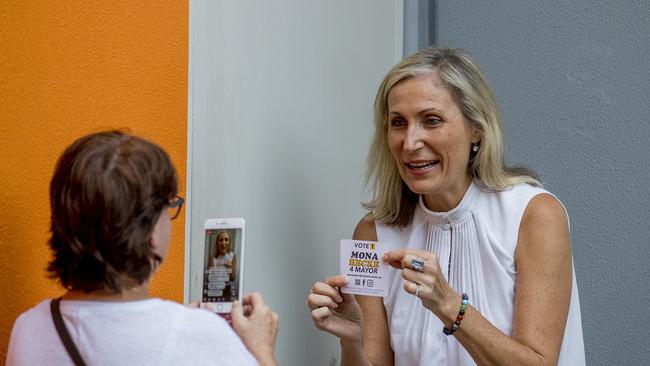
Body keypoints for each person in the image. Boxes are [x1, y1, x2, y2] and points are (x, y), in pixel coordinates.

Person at [307, 47, 585, 365]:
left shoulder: (534, 216)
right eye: (398, 122)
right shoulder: (371, 235)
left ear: (476, 128)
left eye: (432, 120)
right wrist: (351, 340)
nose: (410, 143)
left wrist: (449, 304)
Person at [6, 130, 279, 366]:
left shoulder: (29, 327)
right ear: (148, 233)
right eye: (168, 208)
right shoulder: (199, 335)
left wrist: (178, 326)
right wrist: (262, 351)